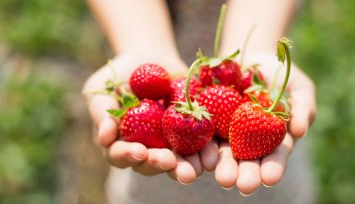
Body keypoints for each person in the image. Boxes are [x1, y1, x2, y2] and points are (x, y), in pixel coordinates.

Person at [83, 0, 316, 203]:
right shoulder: (180, 103)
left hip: (264, 186)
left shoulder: (255, 106)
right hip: (158, 174)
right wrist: (142, 47)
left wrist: (257, 48)